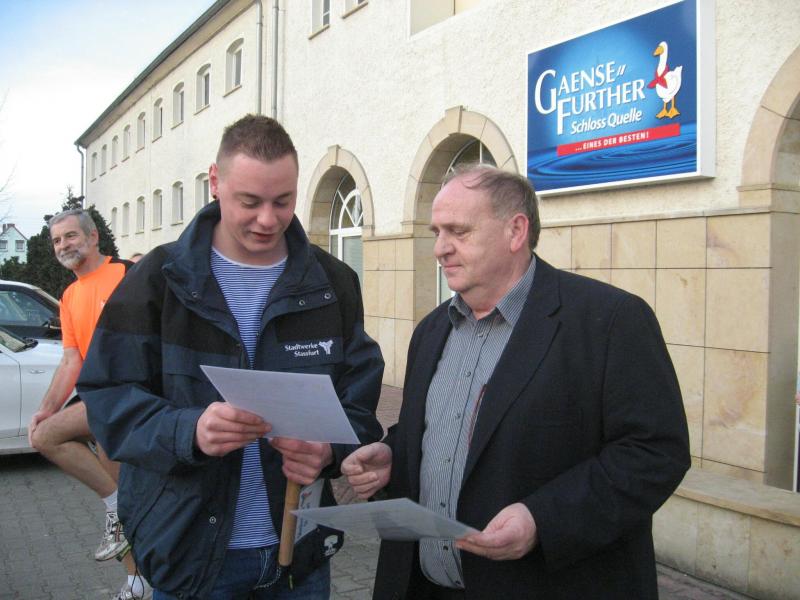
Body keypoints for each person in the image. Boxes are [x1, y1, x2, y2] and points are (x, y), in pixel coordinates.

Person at [342, 164, 691, 599]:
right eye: (437, 232)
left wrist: (542, 520)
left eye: (458, 231)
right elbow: (438, 436)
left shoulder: (609, 320)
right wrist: (394, 456)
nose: (440, 249)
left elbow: (655, 452)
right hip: (424, 587)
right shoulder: (431, 331)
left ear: (515, 231)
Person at [78, 114, 384, 599]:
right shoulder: (158, 280)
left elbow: (359, 401)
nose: (268, 219)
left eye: (283, 201)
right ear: (215, 182)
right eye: (250, 201)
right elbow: (106, 398)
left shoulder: (332, 283)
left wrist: (331, 450)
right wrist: (188, 431)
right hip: (192, 557)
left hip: (300, 558)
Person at [27, 209, 148, 600]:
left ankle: (141, 558)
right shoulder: (69, 296)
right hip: (98, 402)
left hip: (131, 400)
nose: (63, 245)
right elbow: (71, 361)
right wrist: (46, 408)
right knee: (119, 503)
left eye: (71, 236)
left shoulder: (127, 274)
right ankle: (137, 581)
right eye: (57, 240)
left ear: (93, 237)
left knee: (49, 439)